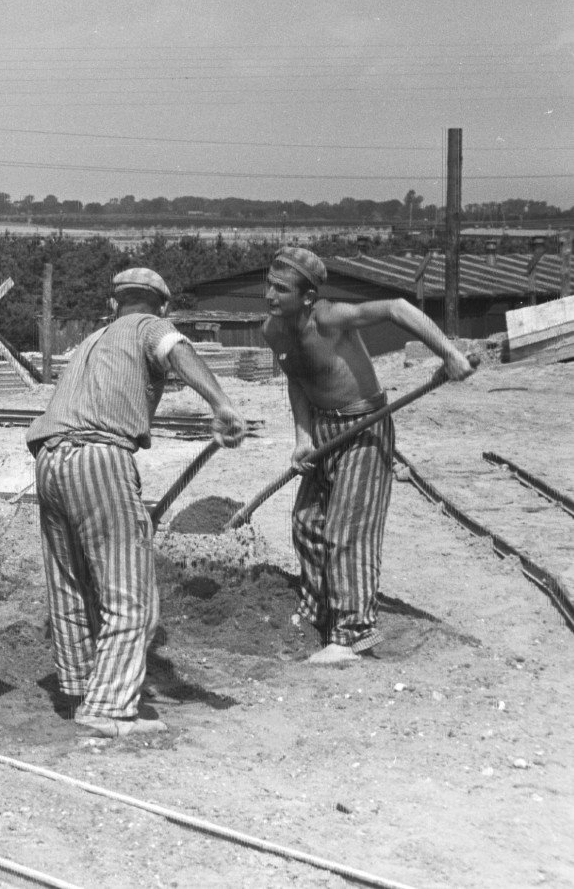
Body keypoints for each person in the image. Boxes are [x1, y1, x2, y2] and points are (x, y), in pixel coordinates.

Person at [27, 268, 247, 737]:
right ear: (162, 305)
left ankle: (84, 685)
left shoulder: (91, 340)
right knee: (130, 593)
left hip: (47, 460)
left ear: (112, 303)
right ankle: (107, 707)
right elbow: (177, 350)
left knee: (72, 582)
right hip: (100, 456)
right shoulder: (150, 326)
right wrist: (221, 404)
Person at [262, 247, 473, 664]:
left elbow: (396, 307)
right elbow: (298, 380)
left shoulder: (330, 317)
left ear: (306, 296)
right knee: (306, 523)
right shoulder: (274, 330)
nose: (269, 294)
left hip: (363, 428)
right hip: (323, 428)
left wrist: (449, 354)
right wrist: (302, 438)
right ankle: (319, 611)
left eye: (280, 289)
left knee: (347, 530)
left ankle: (349, 636)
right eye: (268, 284)